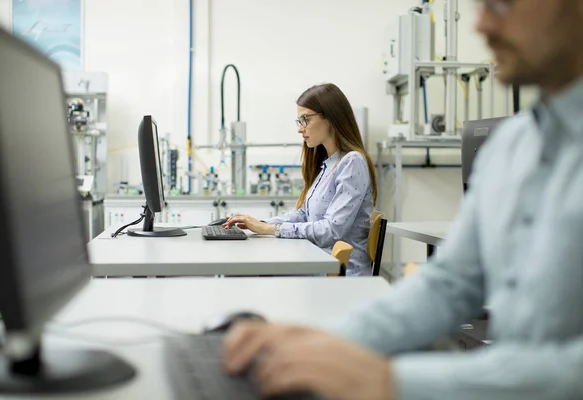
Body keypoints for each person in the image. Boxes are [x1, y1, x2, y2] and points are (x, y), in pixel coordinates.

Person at [221, 0, 583, 399]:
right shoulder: (510, 147)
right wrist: (328, 340)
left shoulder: (353, 163)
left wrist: (393, 382)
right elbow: (449, 286)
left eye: (502, 4)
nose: (480, 24)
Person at [224, 83, 378, 276]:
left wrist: (270, 229)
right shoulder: (328, 164)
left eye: (305, 119)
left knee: (247, 274)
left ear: (331, 117)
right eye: (299, 121)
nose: (300, 129)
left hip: (341, 274)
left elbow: (331, 230)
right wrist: (257, 224)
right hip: (319, 263)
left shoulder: (352, 162)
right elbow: (304, 214)